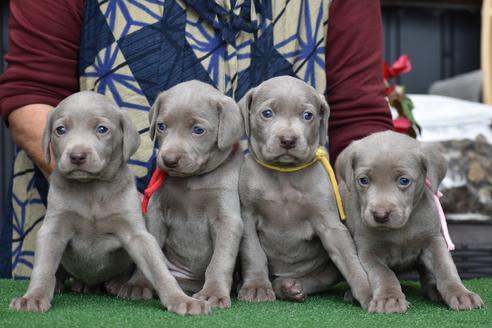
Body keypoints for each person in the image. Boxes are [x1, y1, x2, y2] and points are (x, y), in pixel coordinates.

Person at [0, 0, 393, 279]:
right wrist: (117, 208)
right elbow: (31, 95)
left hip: (280, 265)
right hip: (87, 253)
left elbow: (358, 118)